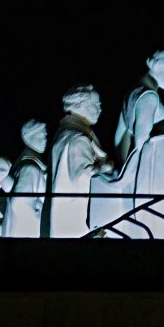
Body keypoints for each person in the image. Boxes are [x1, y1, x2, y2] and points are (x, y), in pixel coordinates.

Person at [90, 50, 164, 238]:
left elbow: (120, 137)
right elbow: (141, 142)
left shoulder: (133, 94)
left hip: (143, 170)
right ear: (161, 68)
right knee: (162, 225)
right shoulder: (149, 97)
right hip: (152, 174)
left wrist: (124, 167)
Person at [49, 85, 113, 238]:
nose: (100, 110)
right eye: (96, 105)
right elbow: (83, 175)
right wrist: (106, 167)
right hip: (74, 220)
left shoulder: (65, 133)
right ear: (81, 106)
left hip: (63, 218)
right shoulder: (78, 138)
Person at [3, 119, 49, 238]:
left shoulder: (28, 166)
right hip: (27, 234)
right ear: (28, 138)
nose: (45, 139)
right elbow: (20, 204)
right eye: (41, 135)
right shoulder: (30, 168)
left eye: (45, 136)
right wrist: (40, 218)